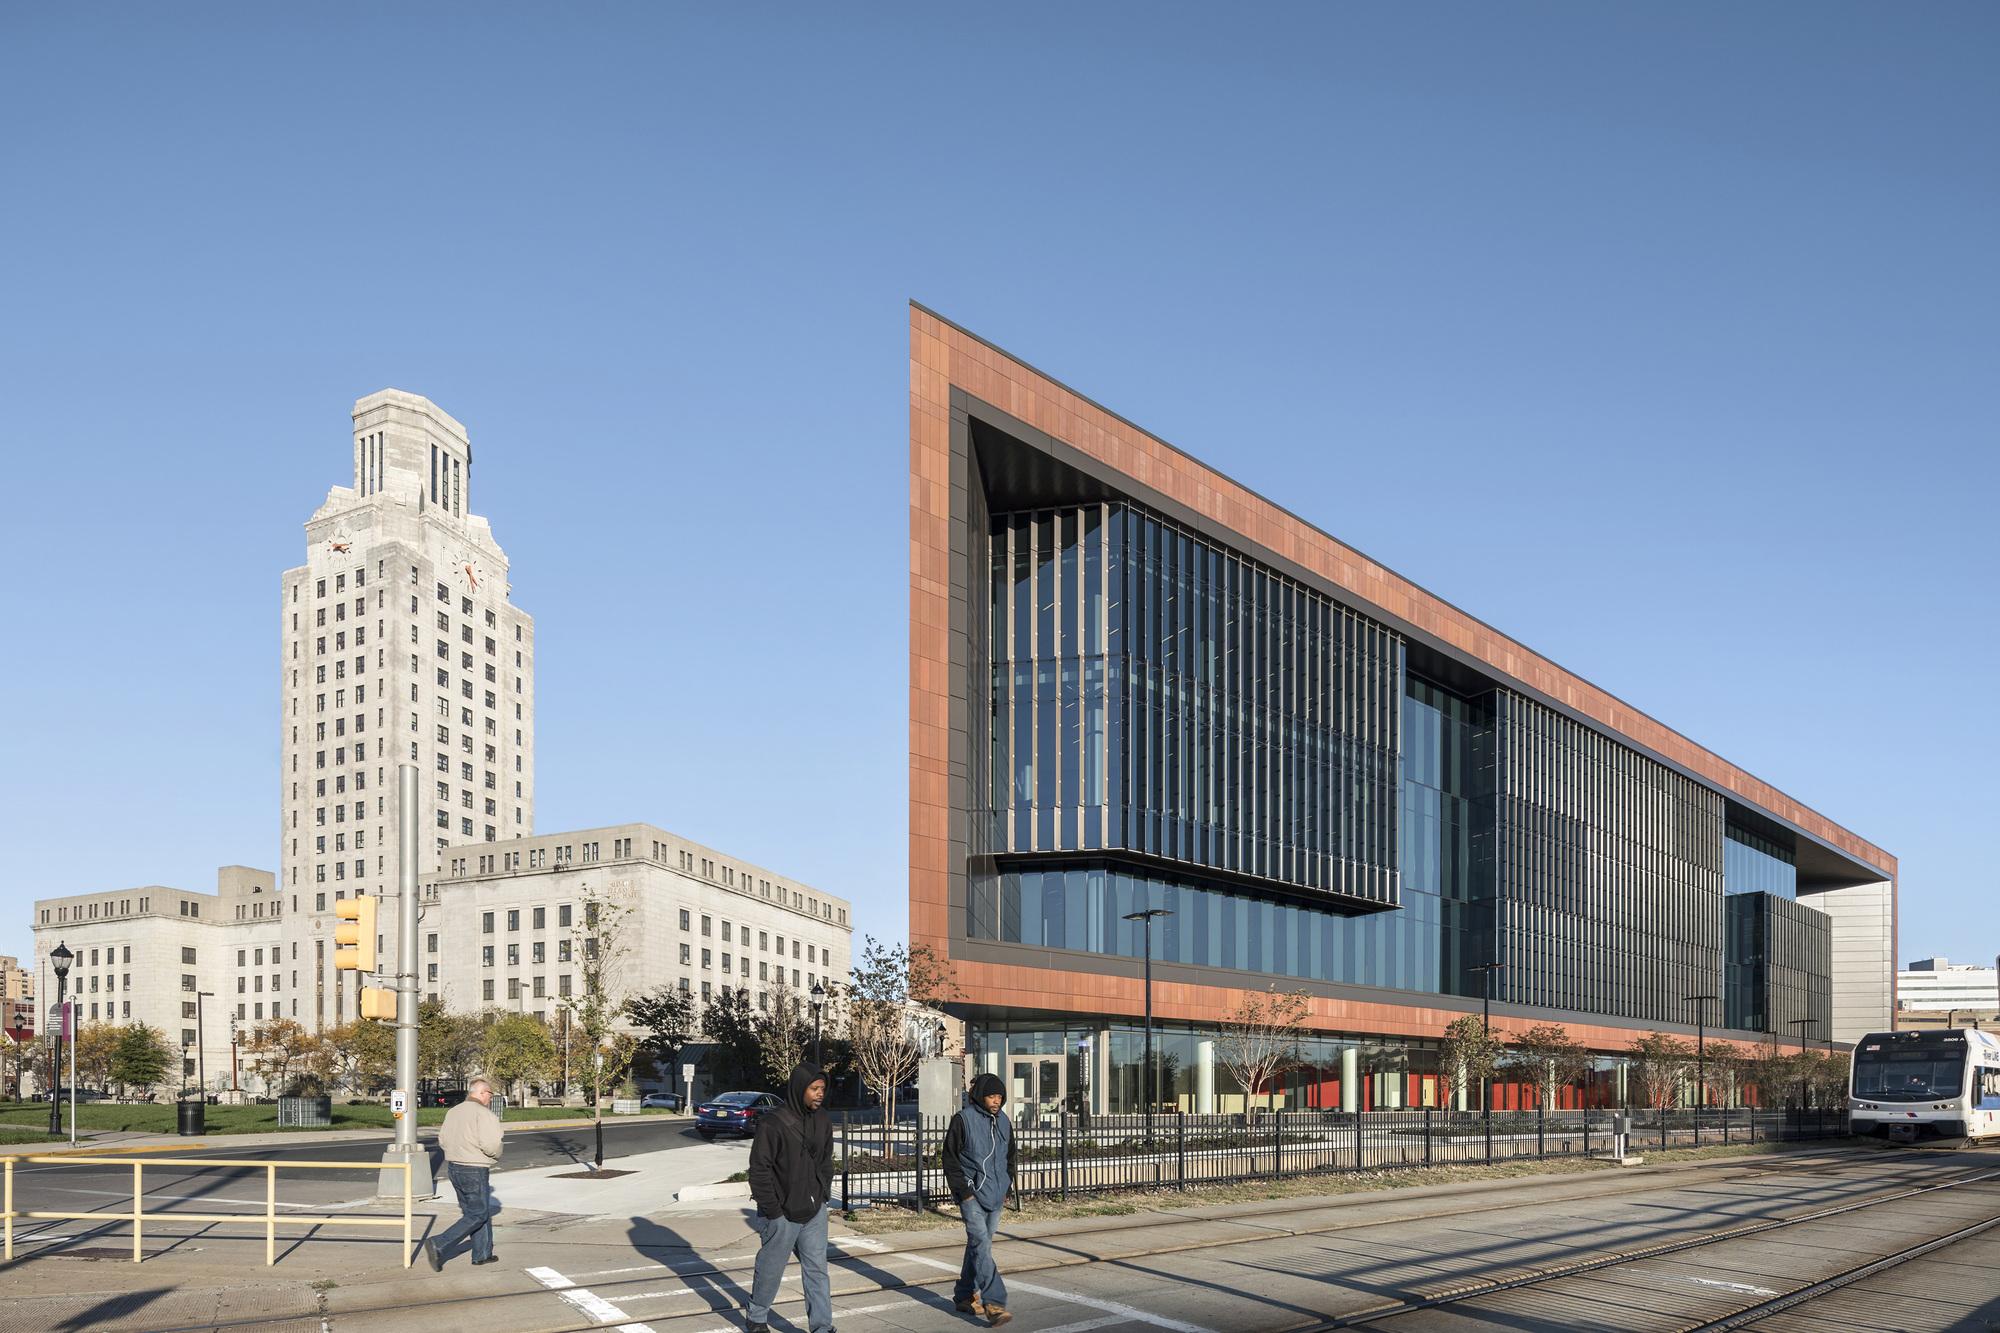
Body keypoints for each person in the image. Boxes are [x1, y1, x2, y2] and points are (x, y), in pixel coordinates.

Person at [745, 1062, 834, 1333]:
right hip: (782, 1213)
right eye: (814, 1088)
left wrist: (823, 1194)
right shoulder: (773, 1124)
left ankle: (822, 1326)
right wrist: (773, 1210)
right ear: (799, 1088)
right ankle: (757, 1318)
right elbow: (759, 1169)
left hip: (814, 1210)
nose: (820, 1094)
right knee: (770, 1269)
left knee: (817, 1270)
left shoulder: (823, 1120)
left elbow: (826, 1160)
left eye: (822, 1089)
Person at [943, 1072, 1015, 1326]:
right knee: (981, 1244)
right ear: (980, 1096)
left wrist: (1008, 1185)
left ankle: (964, 1295)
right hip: (971, 1195)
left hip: (996, 1195)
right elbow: (950, 1159)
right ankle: (994, 1302)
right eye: (991, 1096)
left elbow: (1010, 1157)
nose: (996, 1101)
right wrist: (965, 1192)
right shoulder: (963, 1120)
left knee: (978, 1245)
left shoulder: (1004, 1121)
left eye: (999, 1096)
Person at [424, 1076, 503, 1271]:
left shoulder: (453, 1111)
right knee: (478, 1214)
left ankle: (482, 1254)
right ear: (483, 1093)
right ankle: (439, 1242)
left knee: (476, 1212)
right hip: (474, 1168)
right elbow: (492, 1145)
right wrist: (496, 1154)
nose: (490, 1099)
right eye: (490, 1095)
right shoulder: (484, 1115)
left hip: (454, 1167)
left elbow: (442, 1140)